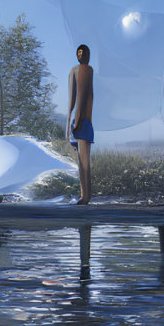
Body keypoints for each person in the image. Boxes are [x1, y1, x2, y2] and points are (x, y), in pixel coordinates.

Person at [67, 43, 94, 205]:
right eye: (78, 52)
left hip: (82, 121)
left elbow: (82, 96)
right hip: (78, 121)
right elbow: (73, 99)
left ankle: (86, 196)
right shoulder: (76, 70)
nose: (80, 55)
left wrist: (76, 121)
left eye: (82, 52)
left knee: (84, 163)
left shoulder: (84, 70)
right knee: (82, 163)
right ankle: (84, 195)